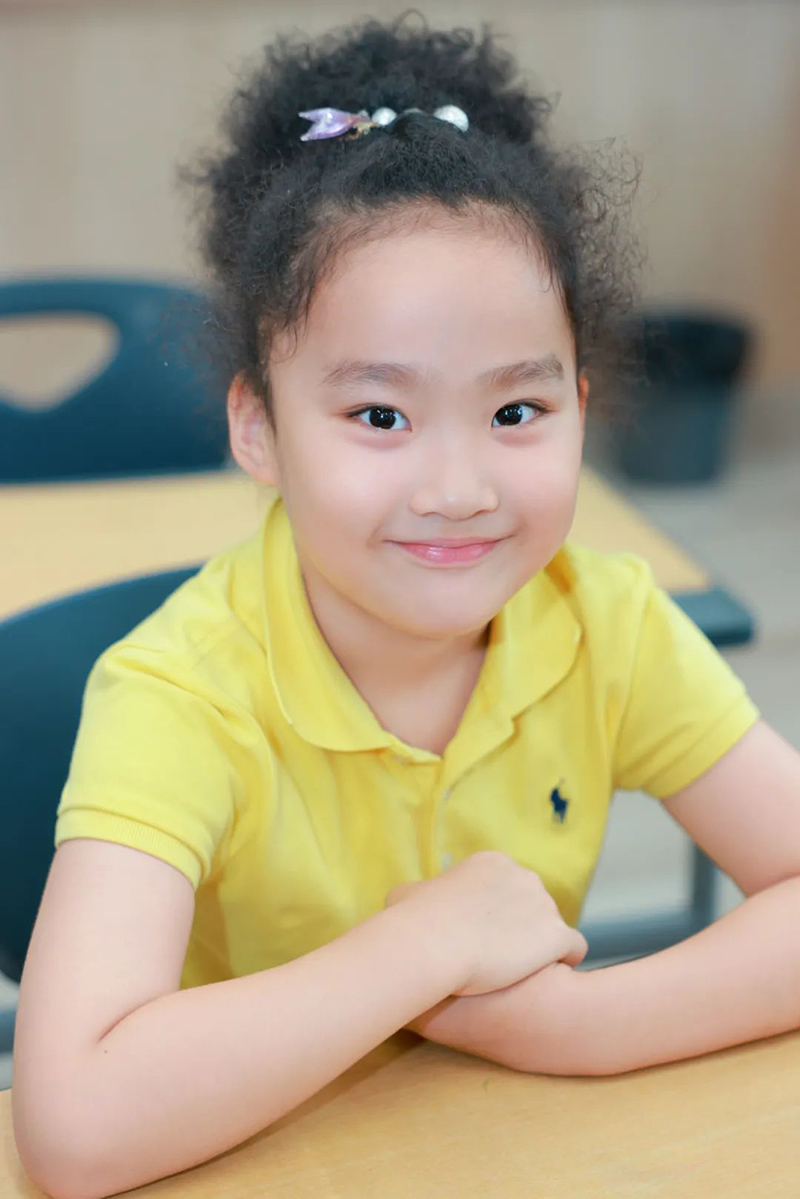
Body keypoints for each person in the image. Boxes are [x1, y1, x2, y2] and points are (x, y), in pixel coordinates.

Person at [13, 13, 800, 1198]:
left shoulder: (604, 617)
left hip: (506, 1143)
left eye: (516, 411)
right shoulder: (177, 694)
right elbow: (74, 1128)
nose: (456, 486)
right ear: (255, 426)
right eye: (379, 415)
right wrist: (424, 943)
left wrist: (577, 1025)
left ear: (581, 407)